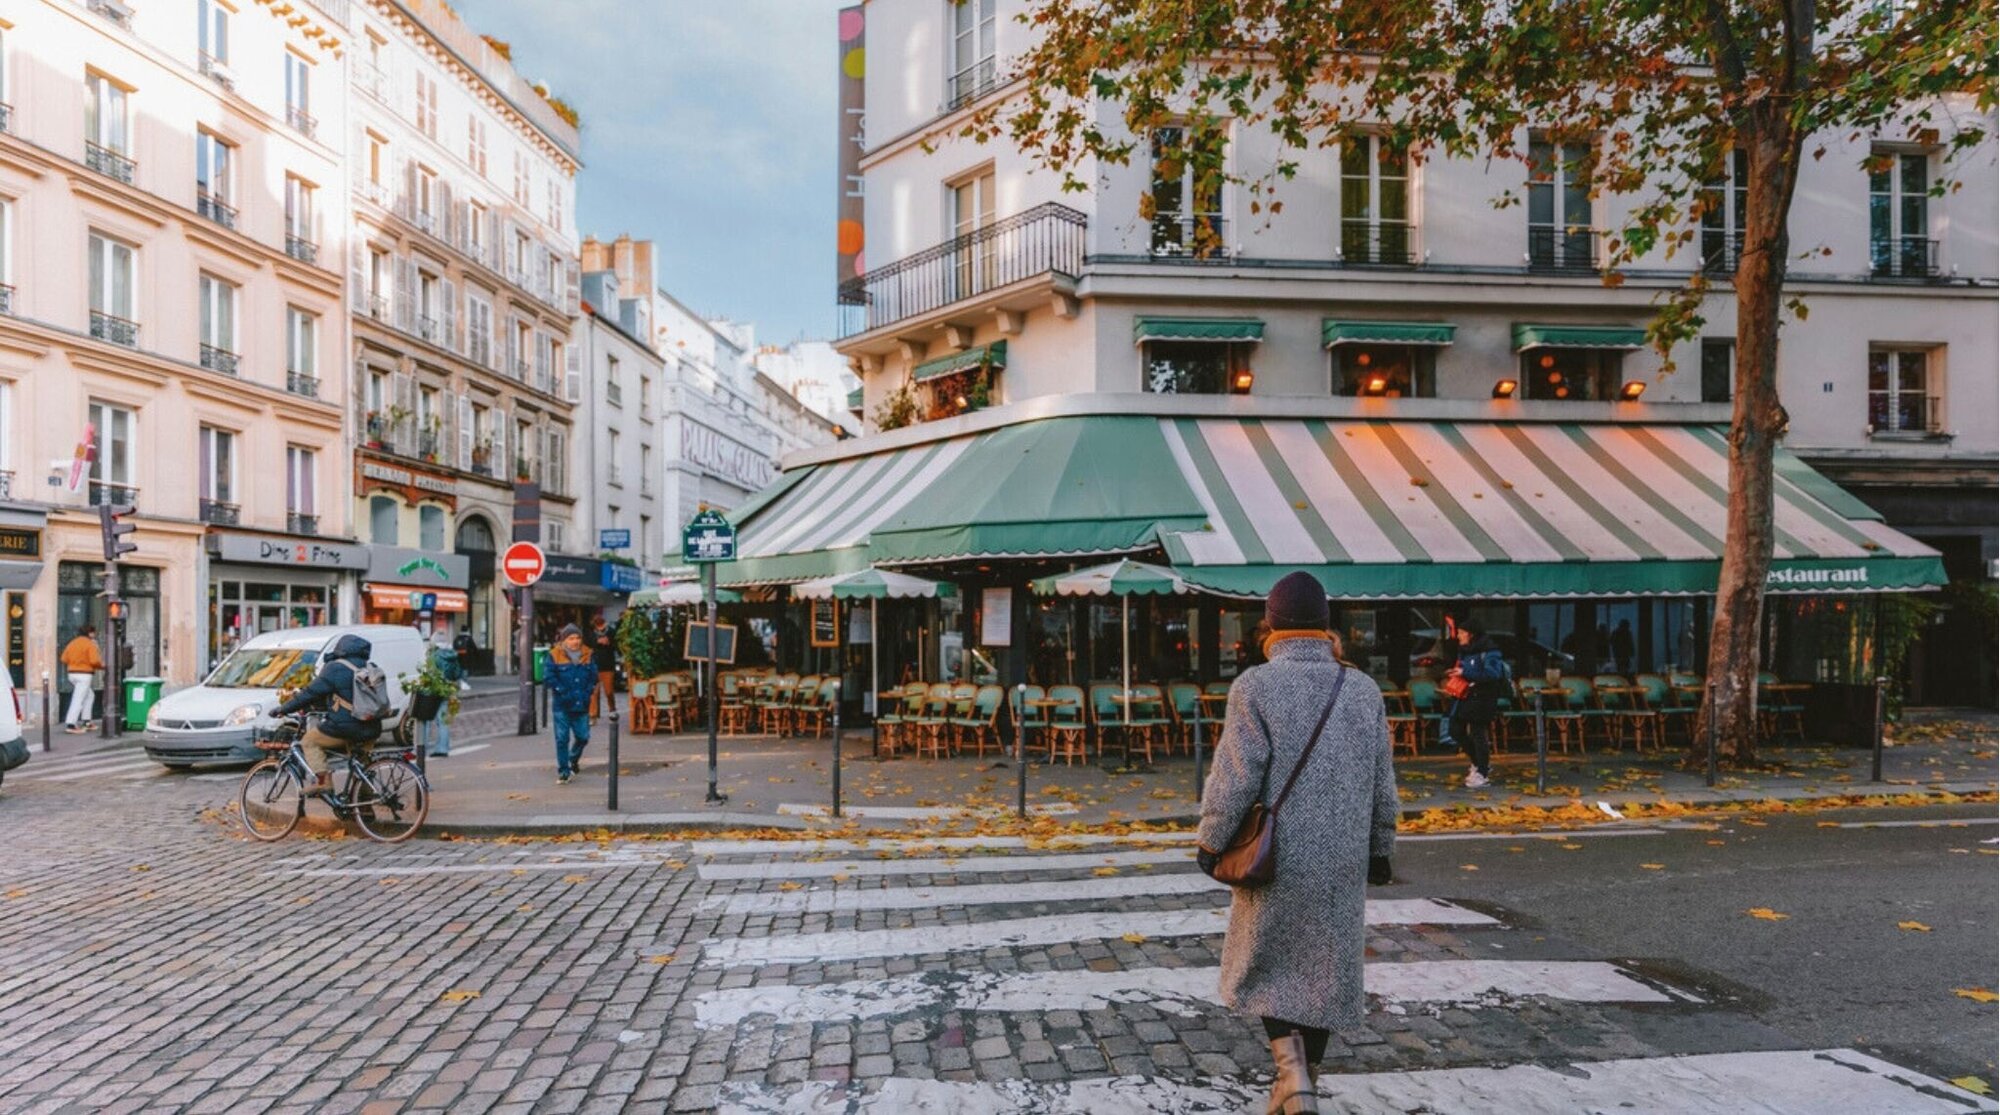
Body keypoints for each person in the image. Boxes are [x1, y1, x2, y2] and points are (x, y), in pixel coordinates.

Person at [1195, 571, 1398, 1115]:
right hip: (1342, 855)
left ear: (1271, 625)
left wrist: (1212, 839)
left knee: (1269, 965)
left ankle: (1293, 1077)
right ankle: (1303, 1083)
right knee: (1322, 974)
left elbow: (1236, 774)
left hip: (1277, 854)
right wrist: (1380, 846)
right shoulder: (1362, 688)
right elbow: (1382, 779)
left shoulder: (1255, 686)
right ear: (1325, 625)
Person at [272, 634, 383, 795]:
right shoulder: (370, 667)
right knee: (362, 764)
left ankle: (323, 781)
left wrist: (283, 709)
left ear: (341, 649)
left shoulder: (335, 668)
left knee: (309, 741)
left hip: (347, 727)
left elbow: (310, 693)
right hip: (372, 725)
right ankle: (365, 804)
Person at [1446, 615, 1508, 789]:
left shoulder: (1490, 651)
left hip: (1482, 697)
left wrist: (1465, 673)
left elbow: (1492, 674)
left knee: (1478, 733)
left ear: (1471, 634)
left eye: (1461, 632)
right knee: (1455, 730)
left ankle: (1482, 772)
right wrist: (1458, 672)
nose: (1458, 636)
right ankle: (1478, 762)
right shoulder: (1464, 650)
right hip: (1464, 696)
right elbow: (1466, 669)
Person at [547, 624, 595, 784]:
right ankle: (564, 771)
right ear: (564, 640)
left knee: (583, 737)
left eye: (577, 638)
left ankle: (572, 759)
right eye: (571, 638)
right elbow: (549, 677)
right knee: (562, 739)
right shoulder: (554, 655)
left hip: (581, 704)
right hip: (562, 705)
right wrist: (562, 692)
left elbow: (593, 676)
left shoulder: (588, 654)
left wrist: (588, 692)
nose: (575, 641)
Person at [60, 625, 105, 733]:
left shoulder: (72, 643)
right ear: (90, 633)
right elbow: (94, 661)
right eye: (93, 633)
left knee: (89, 695)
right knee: (78, 699)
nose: (94, 635)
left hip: (72, 673)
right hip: (84, 674)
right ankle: (71, 724)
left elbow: (63, 658)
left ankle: (86, 721)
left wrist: (75, 662)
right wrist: (102, 666)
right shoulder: (90, 644)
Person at [426, 637, 465, 758]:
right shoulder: (453, 655)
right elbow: (458, 673)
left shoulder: (434, 656)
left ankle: (421, 748)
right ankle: (443, 748)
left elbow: (429, 672)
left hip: (434, 690)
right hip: (448, 689)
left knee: (425, 720)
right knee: (443, 720)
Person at [589, 614, 618, 720]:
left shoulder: (611, 632)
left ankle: (612, 709)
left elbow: (616, 645)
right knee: (594, 692)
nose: (601, 628)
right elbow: (589, 644)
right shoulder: (592, 633)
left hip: (608, 665)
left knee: (609, 691)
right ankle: (593, 715)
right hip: (595, 665)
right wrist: (597, 642)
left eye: (602, 626)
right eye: (599, 626)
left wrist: (608, 643)